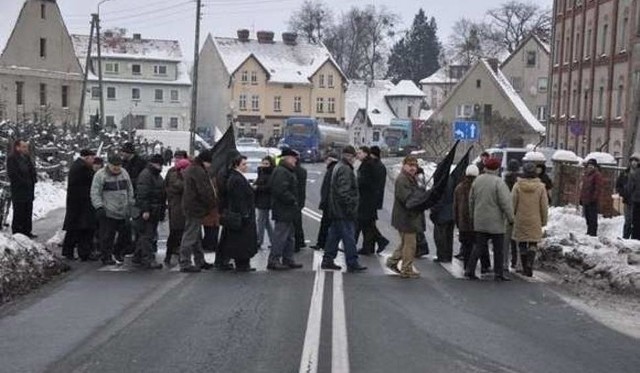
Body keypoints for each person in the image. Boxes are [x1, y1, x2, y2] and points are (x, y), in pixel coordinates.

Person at [465, 157, 514, 281]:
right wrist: (510, 218)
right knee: (498, 249)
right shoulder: (499, 183)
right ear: (497, 169)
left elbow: (471, 200)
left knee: (478, 247)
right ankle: (499, 273)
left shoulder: (477, 181)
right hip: (496, 222)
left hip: (480, 220)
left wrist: (472, 216)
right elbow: (505, 202)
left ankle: (470, 270)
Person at [322, 146, 367, 272]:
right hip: (343, 210)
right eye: (353, 157)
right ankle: (352, 262)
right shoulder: (345, 169)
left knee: (334, 235)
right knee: (349, 236)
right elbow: (344, 192)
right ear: (349, 156)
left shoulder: (339, 166)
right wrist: (350, 206)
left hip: (336, 209)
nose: (354, 160)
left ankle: (328, 259)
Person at [91, 154, 135, 265]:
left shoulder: (124, 173)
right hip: (108, 210)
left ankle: (118, 252)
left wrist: (130, 203)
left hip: (123, 210)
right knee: (107, 236)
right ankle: (106, 256)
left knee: (125, 234)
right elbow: (95, 192)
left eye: (118, 165)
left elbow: (129, 189)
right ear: (109, 165)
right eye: (114, 166)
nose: (116, 168)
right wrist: (99, 206)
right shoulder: (100, 175)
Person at [385, 156, 423, 278]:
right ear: (404, 165)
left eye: (415, 166)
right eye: (410, 165)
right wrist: (420, 197)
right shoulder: (402, 180)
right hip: (406, 217)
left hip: (408, 217)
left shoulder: (410, 178)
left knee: (405, 244)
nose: (413, 168)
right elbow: (407, 199)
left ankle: (392, 262)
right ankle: (406, 269)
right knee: (410, 245)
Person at [218, 155, 258, 272]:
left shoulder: (236, 177)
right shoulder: (237, 179)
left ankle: (243, 263)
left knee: (240, 240)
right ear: (237, 165)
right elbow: (238, 198)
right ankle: (242, 264)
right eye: (244, 164)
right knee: (242, 241)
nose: (246, 166)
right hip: (242, 215)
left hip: (240, 214)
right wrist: (244, 213)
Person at [180, 149, 216, 273]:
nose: (210, 166)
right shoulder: (198, 171)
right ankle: (185, 262)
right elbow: (204, 190)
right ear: (205, 161)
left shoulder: (193, 168)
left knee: (196, 236)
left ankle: (199, 260)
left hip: (191, 206)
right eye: (209, 163)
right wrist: (211, 203)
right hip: (195, 207)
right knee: (190, 235)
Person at [269, 148, 304, 270]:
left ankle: (288, 258)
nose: (296, 160)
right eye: (294, 158)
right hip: (283, 209)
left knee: (289, 236)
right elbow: (280, 190)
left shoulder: (286, 170)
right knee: (280, 236)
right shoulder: (282, 172)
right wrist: (292, 200)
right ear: (287, 158)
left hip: (288, 210)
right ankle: (274, 260)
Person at [512, 162, 549, 277]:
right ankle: (530, 265)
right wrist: (544, 220)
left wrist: (511, 217)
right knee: (533, 243)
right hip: (535, 219)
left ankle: (524, 266)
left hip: (520, 218)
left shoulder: (517, 186)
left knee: (522, 243)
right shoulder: (541, 187)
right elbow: (544, 205)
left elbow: (512, 203)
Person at [62, 149, 97, 261]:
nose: (93, 161)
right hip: (81, 203)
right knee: (83, 229)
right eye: (92, 158)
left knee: (74, 229)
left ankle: (69, 251)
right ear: (87, 157)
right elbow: (91, 181)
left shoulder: (78, 165)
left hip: (76, 202)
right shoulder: (83, 168)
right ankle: (84, 253)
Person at [132, 154, 166, 269]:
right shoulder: (146, 175)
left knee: (146, 235)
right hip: (148, 210)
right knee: (147, 235)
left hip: (154, 209)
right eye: (159, 164)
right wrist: (145, 210)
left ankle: (138, 256)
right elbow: (142, 194)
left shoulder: (155, 175)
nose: (161, 167)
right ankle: (148, 259)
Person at [453, 165, 486, 270]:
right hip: (477, 221)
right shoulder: (479, 187)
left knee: (466, 246)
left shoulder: (459, 187)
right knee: (478, 245)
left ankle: (467, 266)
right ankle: (482, 266)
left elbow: (455, 206)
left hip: (463, 222)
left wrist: (457, 221)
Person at [6, 139, 37, 237]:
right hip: (19, 190)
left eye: (26, 146)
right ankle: (18, 233)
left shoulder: (27, 157)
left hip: (29, 189)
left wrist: (33, 179)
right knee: (19, 212)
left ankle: (27, 231)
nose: (26, 148)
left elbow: (31, 170)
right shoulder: (12, 158)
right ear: (17, 147)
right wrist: (24, 182)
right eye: (23, 147)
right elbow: (13, 174)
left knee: (28, 211)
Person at [310, 152, 339, 251]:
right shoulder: (333, 169)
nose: (325, 162)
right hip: (330, 203)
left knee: (328, 225)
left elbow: (329, 188)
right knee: (327, 224)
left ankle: (325, 244)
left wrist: (325, 201)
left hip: (330, 203)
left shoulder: (332, 170)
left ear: (330, 160)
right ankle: (322, 243)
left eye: (327, 160)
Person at [164, 157, 190, 266]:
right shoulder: (175, 178)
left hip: (180, 209)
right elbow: (182, 187)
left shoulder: (179, 177)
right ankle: (170, 255)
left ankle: (173, 255)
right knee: (176, 233)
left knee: (179, 233)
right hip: (177, 209)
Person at [355, 146, 378, 255]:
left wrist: (357, 182)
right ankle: (369, 247)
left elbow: (364, 181)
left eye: (359, 153)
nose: (357, 155)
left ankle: (366, 247)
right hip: (368, 200)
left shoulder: (368, 165)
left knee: (363, 224)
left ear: (365, 153)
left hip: (366, 200)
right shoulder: (368, 163)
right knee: (367, 226)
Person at [369, 146, 390, 253]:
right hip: (375, 198)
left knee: (367, 223)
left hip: (370, 199)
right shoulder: (380, 165)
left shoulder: (374, 165)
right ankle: (371, 245)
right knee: (368, 223)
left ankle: (380, 240)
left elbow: (371, 182)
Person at [430, 178, 455, 263]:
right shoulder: (451, 180)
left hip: (441, 213)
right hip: (450, 212)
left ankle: (442, 256)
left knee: (440, 236)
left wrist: (433, 210)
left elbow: (438, 199)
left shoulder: (440, 181)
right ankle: (448, 256)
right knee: (448, 236)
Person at [503, 159, 521, 270]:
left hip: (506, 214)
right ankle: (515, 262)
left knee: (506, 241)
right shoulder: (520, 182)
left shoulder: (504, 181)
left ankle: (504, 263)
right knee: (516, 241)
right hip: (518, 213)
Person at [255, 156, 275, 250]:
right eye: (263, 163)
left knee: (261, 221)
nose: (264, 165)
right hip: (260, 200)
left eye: (267, 164)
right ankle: (274, 241)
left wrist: (257, 188)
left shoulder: (272, 174)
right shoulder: (261, 172)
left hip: (265, 201)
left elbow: (269, 187)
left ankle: (259, 241)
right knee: (266, 222)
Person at [617, 154, 639, 239]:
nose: (634, 163)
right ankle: (625, 237)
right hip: (627, 200)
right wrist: (623, 193)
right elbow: (618, 185)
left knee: (635, 221)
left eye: (636, 161)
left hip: (636, 201)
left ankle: (634, 238)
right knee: (628, 220)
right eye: (632, 161)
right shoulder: (625, 173)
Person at [580, 158, 604, 237]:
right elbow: (583, 187)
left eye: (592, 166)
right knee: (587, 216)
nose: (590, 167)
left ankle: (593, 233)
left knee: (592, 217)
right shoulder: (586, 174)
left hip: (592, 200)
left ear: (595, 167)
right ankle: (589, 231)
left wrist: (594, 198)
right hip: (586, 199)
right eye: (589, 165)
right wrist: (581, 198)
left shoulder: (597, 175)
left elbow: (598, 187)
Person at [293, 153, 308, 251]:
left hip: (294, 199)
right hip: (300, 198)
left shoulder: (293, 171)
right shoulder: (303, 171)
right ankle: (300, 241)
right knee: (298, 222)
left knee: (295, 223)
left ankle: (297, 243)